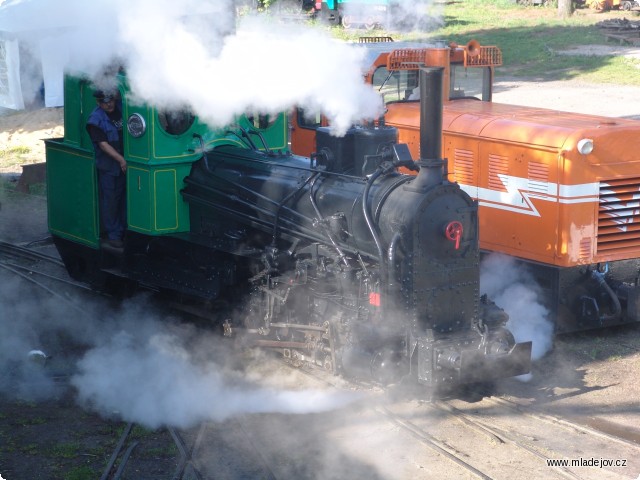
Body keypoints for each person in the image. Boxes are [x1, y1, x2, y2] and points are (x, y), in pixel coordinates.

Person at [86, 90, 127, 249]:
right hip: (109, 166)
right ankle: (114, 235)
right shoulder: (95, 120)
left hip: (126, 162)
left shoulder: (122, 108)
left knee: (125, 198)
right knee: (111, 200)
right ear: (98, 103)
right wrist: (120, 160)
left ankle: (125, 230)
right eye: (104, 101)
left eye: (110, 100)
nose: (108, 104)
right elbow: (103, 145)